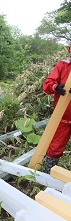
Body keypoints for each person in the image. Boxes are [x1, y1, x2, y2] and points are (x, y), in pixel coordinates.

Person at [42, 44, 71, 173]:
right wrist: (56, 87)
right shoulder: (62, 66)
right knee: (55, 147)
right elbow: (47, 85)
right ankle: (48, 175)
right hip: (62, 116)